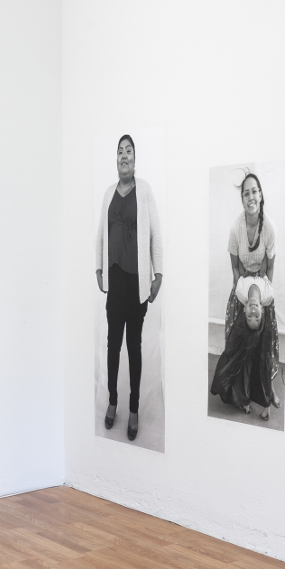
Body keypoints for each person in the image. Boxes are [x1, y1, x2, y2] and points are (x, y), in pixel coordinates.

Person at [95, 134, 163, 441]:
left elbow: (156, 234)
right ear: (116, 159)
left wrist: (157, 272)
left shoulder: (145, 190)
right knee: (113, 346)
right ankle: (112, 402)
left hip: (137, 283)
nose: (124, 156)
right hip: (115, 280)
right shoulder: (109, 193)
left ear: (135, 159)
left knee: (133, 347)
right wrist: (98, 266)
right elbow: (100, 234)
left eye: (129, 151)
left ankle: (133, 409)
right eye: (120, 152)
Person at [221, 172, 281, 412]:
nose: (251, 196)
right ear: (242, 199)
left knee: (265, 344)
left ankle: (268, 391)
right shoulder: (235, 229)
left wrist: (264, 303)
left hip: (262, 287)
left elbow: (270, 270)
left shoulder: (270, 229)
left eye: (254, 191)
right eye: (246, 193)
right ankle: (241, 393)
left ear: (261, 195)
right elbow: (235, 268)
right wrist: (242, 299)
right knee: (239, 343)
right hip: (242, 287)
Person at [210, 275, 278, 418]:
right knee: (240, 357)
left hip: (261, 323)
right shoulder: (266, 294)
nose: (253, 313)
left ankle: (266, 401)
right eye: (254, 317)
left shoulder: (243, 293)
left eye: (252, 316)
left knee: (262, 360)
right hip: (250, 313)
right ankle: (245, 399)